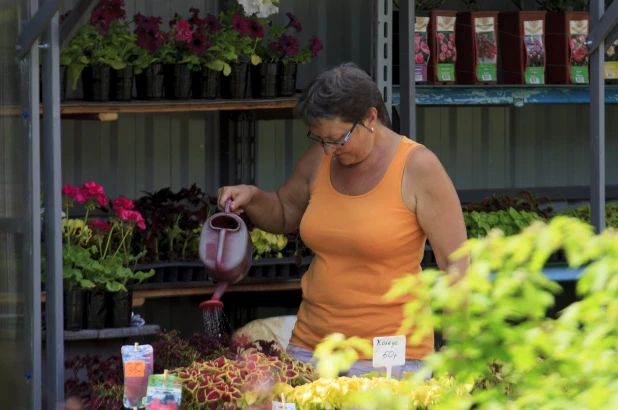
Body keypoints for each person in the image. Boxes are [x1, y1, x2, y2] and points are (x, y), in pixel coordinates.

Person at [217, 62, 468, 377]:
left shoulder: (418, 168)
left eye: (338, 139)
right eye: (320, 139)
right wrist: (252, 196)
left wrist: (459, 359)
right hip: (310, 351)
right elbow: (282, 212)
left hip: (390, 359)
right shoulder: (320, 157)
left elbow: (455, 264)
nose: (329, 150)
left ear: (370, 118)